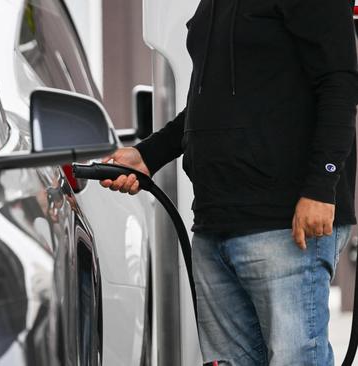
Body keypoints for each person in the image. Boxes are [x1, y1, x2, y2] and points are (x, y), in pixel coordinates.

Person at [102, 0, 358, 365]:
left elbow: (340, 83)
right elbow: (212, 104)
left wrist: (321, 187)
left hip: (285, 224)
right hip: (214, 226)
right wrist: (147, 155)